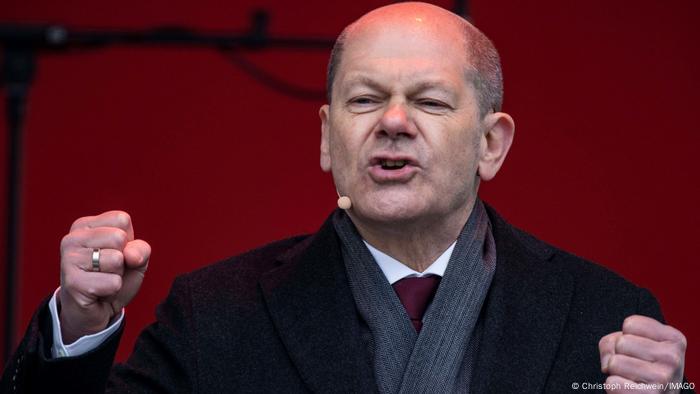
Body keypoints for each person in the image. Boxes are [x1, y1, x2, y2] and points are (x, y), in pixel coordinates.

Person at [1, 2, 691, 393]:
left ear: (492, 144)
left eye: (427, 101)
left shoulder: (604, 317)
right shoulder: (216, 315)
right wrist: (80, 326)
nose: (392, 121)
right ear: (329, 138)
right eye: (365, 101)